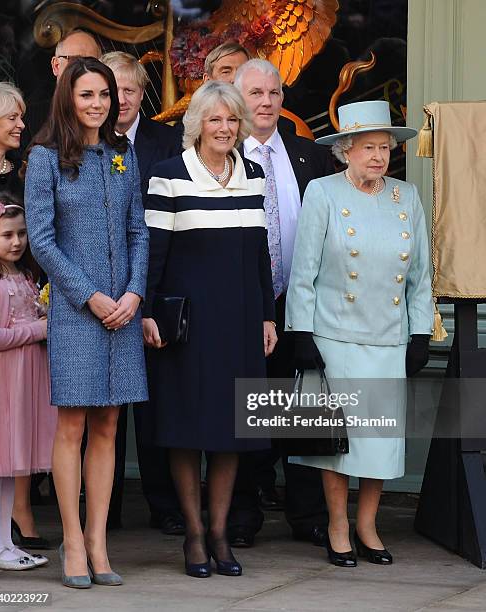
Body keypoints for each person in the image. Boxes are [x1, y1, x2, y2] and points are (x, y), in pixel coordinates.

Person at [286, 100, 434, 566]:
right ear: (344, 151)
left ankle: (368, 525)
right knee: (337, 442)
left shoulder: (405, 196)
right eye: (368, 147)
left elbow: (421, 275)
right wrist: (301, 333)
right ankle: (336, 525)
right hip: (335, 337)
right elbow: (303, 271)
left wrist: (421, 332)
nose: (378, 156)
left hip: (388, 336)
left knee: (379, 441)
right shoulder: (323, 192)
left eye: (385, 148)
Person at [143, 80, 277, 578]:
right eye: (215, 120)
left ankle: (220, 533)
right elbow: (153, 256)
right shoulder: (167, 176)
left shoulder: (254, 174)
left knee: (231, 433)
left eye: (232, 120)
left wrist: (266, 316)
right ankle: (194, 534)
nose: (225, 129)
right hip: (187, 327)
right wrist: (147, 313)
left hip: (241, 323)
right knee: (186, 431)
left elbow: (260, 257)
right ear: (197, 124)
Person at [24, 57, 149, 588]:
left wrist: (134, 293)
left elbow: (139, 231)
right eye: (87, 96)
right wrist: (90, 296)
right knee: (72, 423)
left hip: (123, 311)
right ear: (67, 99)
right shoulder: (45, 158)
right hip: (79, 314)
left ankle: (99, 543)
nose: (99, 104)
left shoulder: (123, 153)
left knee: (109, 424)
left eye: (105, 95)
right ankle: (71, 542)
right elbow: (42, 240)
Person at [229, 58, 334, 548]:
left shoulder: (310, 155)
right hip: (247, 306)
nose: (266, 101)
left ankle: (308, 517)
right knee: (248, 412)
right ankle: (243, 517)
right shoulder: (221, 157)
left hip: (303, 306)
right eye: (255, 93)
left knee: (305, 414)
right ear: (237, 99)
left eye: (273, 92)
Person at [100, 50, 184, 534]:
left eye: (131, 89)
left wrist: (147, 299)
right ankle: (103, 511)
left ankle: (164, 507)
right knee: (102, 412)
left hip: (151, 293)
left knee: (153, 410)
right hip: (98, 299)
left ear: (141, 94)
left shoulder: (167, 142)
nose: (122, 99)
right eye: (113, 90)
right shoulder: (83, 144)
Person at [0, 80, 52, 549]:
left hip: (21, 285)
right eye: (12, 117)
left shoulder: (23, 176)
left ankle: (20, 514)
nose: (20, 124)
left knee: (17, 420)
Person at [23, 29, 101, 144]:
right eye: (75, 61)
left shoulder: (107, 116)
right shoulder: (27, 119)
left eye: (91, 62)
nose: (84, 69)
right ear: (56, 66)